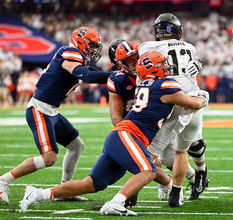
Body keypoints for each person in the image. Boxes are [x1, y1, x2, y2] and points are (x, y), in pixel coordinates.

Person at [19, 52, 208, 216]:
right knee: (148, 171)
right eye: (163, 65)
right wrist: (203, 96)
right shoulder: (165, 86)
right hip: (129, 136)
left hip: (119, 137)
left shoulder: (147, 85)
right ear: (155, 69)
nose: (166, 67)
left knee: (92, 184)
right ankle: (116, 203)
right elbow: (194, 103)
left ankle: (38, 193)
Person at [0, 26, 112, 204]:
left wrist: (119, 75)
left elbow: (95, 74)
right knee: (49, 158)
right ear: (80, 42)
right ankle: (3, 180)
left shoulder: (79, 59)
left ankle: (65, 190)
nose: (93, 50)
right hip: (40, 109)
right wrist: (118, 76)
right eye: (91, 45)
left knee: (76, 146)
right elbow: (89, 77)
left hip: (51, 111)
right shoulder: (69, 53)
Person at [138, 13, 210, 207]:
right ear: (178, 30)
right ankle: (178, 193)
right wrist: (199, 62)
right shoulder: (190, 47)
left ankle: (133, 191)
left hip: (170, 104)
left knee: (150, 154)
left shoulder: (147, 47)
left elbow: (144, 69)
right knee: (181, 152)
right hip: (194, 100)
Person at [107, 39, 139, 207]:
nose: (134, 63)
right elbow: (115, 116)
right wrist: (126, 134)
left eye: (136, 58)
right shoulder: (119, 80)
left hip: (155, 123)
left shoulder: (153, 71)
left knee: (168, 157)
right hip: (130, 126)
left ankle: (189, 179)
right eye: (130, 61)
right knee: (97, 180)